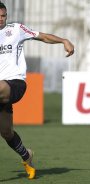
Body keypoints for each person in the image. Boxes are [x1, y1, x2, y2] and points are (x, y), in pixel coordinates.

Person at [0, 2, 74, 180]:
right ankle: (27, 156)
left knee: (0, 85)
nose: (1, 19)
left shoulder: (16, 29)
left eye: (3, 15)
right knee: (6, 132)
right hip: (2, 93)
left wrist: (63, 40)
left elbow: (42, 36)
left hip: (15, 84)